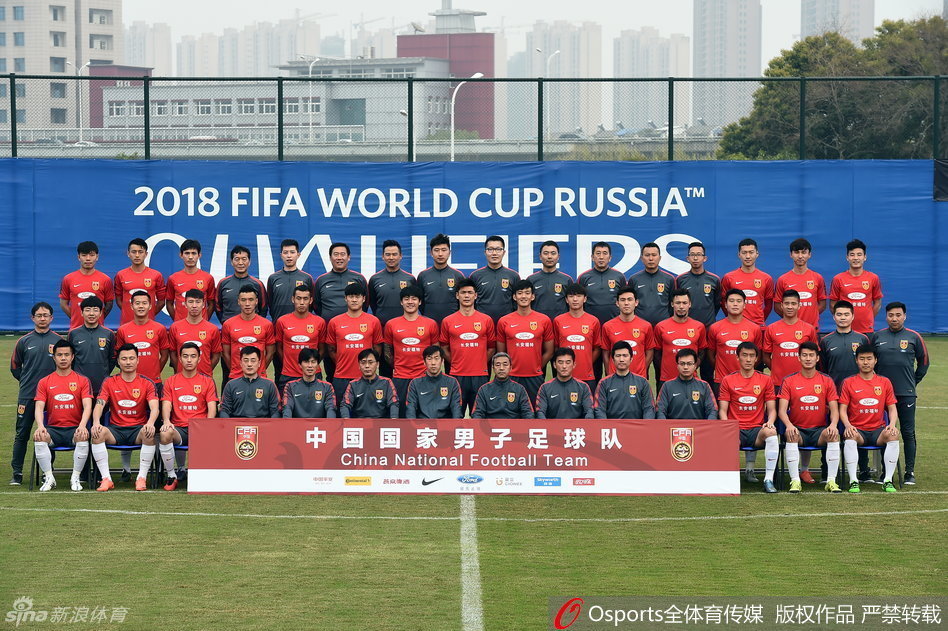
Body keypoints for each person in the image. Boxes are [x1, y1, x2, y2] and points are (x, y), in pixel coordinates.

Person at [871, 302, 929, 485]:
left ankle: (909, 472)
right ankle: (885, 472)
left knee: (908, 432)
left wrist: (913, 382)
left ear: (904, 316)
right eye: (891, 315)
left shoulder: (914, 337)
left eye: (898, 315)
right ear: (886, 316)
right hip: (881, 395)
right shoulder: (877, 337)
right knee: (884, 432)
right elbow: (870, 363)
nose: (894, 319)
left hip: (906, 394)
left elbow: (924, 362)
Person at [89, 344, 160, 492]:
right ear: (118, 361)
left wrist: (150, 423)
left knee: (149, 433)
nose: (128, 362)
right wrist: (96, 422)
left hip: (137, 430)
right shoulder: (109, 382)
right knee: (97, 434)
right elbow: (99, 404)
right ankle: (106, 479)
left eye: (131, 358)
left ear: (138, 360)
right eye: (124, 359)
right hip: (116, 431)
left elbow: (155, 408)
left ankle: (141, 478)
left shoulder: (147, 383)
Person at [778, 341, 842, 493]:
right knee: (791, 435)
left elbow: (834, 410)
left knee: (833, 435)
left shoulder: (826, 380)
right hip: (798, 430)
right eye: (804, 355)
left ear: (817, 358)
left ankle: (831, 481)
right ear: (799, 358)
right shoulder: (789, 380)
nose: (808, 358)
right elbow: (781, 411)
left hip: (819, 431)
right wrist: (789, 425)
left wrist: (833, 425)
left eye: (811, 355)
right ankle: (795, 481)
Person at [10, 302, 61, 485]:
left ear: (51, 318)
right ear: (33, 318)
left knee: (49, 433)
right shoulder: (24, 341)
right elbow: (15, 367)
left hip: (52, 397)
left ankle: (48, 472)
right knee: (22, 434)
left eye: (45, 315)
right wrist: (27, 381)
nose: (42, 318)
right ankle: (17, 472)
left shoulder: (58, 340)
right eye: (39, 315)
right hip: (28, 395)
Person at [717, 342, 779, 493]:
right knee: (728, 440)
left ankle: (768, 479)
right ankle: (730, 480)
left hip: (756, 431)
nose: (748, 359)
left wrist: (770, 422)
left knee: (771, 433)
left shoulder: (765, 380)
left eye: (752, 356)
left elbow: (772, 410)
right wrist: (727, 428)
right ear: (737, 357)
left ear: (757, 359)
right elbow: (722, 411)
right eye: (744, 355)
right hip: (736, 429)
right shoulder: (728, 380)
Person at [838, 344, 900, 493]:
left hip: (878, 431)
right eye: (862, 359)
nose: (865, 362)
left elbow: (892, 408)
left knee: (893, 434)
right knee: (850, 436)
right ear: (856, 361)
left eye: (869, 359)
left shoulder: (884, 382)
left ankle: (887, 480)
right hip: (858, 431)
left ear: (875, 360)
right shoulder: (848, 382)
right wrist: (848, 425)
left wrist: (892, 424)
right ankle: (853, 481)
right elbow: (842, 410)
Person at [32, 340, 93, 491]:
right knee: (39, 436)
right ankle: (49, 477)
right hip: (53, 430)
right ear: (54, 357)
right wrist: (40, 426)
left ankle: (75, 477)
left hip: (74, 429)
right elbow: (39, 407)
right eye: (59, 355)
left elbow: (87, 406)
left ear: (73, 357)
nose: (63, 358)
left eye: (67, 354)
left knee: (83, 435)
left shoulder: (82, 380)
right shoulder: (44, 381)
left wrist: (82, 426)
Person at [159, 342, 219, 490]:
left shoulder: (207, 381)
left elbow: (212, 407)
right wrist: (166, 420)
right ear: (180, 359)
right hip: (179, 429)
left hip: (200, 428)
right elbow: (166, 404)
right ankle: (172, 476)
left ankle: (200, 473)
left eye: (193, 356)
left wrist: (208, 425)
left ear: (199, 358)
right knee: (165, 433)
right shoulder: (171, 381)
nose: (189, 360)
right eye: (185, 356)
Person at [440, 278, 495, 416]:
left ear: (475, 296)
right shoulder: (448, 321)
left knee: (479, 415)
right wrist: (455, 362)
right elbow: (444, 347)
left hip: (480, 375)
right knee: (455, 415)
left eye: (470, 293)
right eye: (463, 292)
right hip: (457, 375)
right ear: (457, 295)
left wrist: (481, 362)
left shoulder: (486, 320)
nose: (466, 296)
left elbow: (492, 348)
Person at [314, 242, 368, 381]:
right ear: (330, 257)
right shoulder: (321, 280)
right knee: (332, 375)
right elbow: (317, 306)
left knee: (360, 374)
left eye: (342, 254)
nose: (339, 257)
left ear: (349, 257)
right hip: (331, 336)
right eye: (336, 254)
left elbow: (365, 304)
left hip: (355, 335)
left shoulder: (358, 278)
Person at [495, 280, 554, 406]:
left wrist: (537, 366)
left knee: (534, 410)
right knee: (510, 410)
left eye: (527, 293)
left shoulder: (544, 320)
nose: (523, 296)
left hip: (535, 376)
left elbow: (549, 351)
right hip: (511, 376)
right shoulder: (504, 321)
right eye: (520, 293)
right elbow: (501, 353)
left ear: (532, 296)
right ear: (514, 297)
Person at [383, 285, 439, 416]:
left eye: (414, 299)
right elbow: (387, 351)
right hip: (400, 378)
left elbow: (436, 351)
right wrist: (398, 366)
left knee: (425, 415)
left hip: (424, 377)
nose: (410, 302)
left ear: (420, 302)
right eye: (406, 299)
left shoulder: (430, 324)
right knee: (402, 415)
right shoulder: (391, 324)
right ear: (401, 302)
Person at [324, 282, 383, 400]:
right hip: (342, 377)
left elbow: (377, 347)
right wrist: (341, 363)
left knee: (366, 410)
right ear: (345, 298)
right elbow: (331, 349)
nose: (354, 300)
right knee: (341, 410)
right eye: (351, 296)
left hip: (366, 377)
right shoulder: (335, 322)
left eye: (357, 296)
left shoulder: (373, 321)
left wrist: (369, 366)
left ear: (364, 299)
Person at [675, 241, 720, 382]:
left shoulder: (714, 280)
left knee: (707, 373)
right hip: (687, 332)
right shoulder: (680, 279)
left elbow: (717, 304)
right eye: (692, 255)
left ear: (704, 258)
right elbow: (677, 303)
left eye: (699, 255)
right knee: (686, 370)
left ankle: (708, 397)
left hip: (707, 331)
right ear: (687, 258)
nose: (695, 258)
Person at [706, 289, 764, 394]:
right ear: (725, 305)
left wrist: (746, 371)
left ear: (744, 305)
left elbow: (758, 356)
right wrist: (720, 369)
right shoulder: (715, 328)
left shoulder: (754, 328)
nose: (735, 304)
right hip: (722, 381)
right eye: (731, 301)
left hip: (747, 381)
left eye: (739, 301)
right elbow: (710, 354)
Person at [274, 285, 325, 394]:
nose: (302, 302)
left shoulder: (319, 322)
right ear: (293, 299)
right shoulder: (282, 321)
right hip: (288, 374)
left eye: (305, 299)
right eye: (298, 298)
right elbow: (278, 347)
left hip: (313, 374)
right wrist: (288, 364)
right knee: (287, 404)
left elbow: (322, 348)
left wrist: (312, 365)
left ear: (311, 300)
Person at [762, 290, 819, 390]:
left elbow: (814, 356)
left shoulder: (809, 329)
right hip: (779, 383)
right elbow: (766, 356)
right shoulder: (771, 328)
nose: (790, 307)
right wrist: (776, 371)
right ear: (781, 305)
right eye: (787, 303)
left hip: (803, 382)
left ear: (799, 306)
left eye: (793, 304)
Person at [115, 290, 170, 392]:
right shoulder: (123, 330)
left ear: (150, 306)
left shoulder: (159, 328)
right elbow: (119, 356)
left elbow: (164, 355)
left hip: (154, 381)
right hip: (130, 382)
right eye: (137, 303)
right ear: (132, 306)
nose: (141, 306)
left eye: (144, 303)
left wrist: (155, 372)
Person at [653, 289, 707, 391]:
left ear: (689, 304)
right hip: (667, 380)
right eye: (678, 303)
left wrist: (693, 366)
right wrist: (666, 369)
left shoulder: (699, 327)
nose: (681, 306)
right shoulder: (661, 326)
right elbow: (656, 353)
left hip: (691, 380)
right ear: (672, 304)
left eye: (684, 303)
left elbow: (702, 351)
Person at [221, 285, 275, 382]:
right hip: (236, 377)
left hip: (259, 377)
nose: (247, 304)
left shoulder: (266, 324)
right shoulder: (228, 324)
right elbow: (225, 353)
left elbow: (270, 352)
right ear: (238, 301)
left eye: (251, 300)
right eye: (243, 300)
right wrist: (234, 370)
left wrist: (260, 368)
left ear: (256, 301)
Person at [552, 284, 601, 392]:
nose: (575, 299)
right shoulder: (558, 321)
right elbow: (556, 347)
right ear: (566, 300)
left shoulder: (593, 321)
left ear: (585, 299)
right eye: (571, 296)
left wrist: (587, 362)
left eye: (578, 296)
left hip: (586, 376)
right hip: (564, 377)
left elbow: (597, 348)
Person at [829, 239, 882, 335]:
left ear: (865, 257)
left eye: (859, 254)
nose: (856, 258)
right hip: (845, 330)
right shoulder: (838, 279)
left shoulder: (873, 278)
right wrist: (843, 321)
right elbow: (833, 305)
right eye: (852, 255)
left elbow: (877, 303)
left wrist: (868, 318)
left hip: (866, 329)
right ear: (847, 257)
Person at [600, 286, 655, 379]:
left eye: (629, 299)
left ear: (636, 302)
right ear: (617, 303)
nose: (626, 303)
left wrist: (642, 370)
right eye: (622, 300)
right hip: (615, 377)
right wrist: (609, 372)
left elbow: (650, 352)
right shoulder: (607, 326)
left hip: (639, 377)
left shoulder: (646, 326)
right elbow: (606, 353)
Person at [66, 296, 116, 396]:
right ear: (81, 312)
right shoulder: (73, 334)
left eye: (95, 310)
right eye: (87, 310)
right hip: (79, 386)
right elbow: (70, 359)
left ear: (101, 313)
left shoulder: (109, 334)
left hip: (102, 385)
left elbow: (112, 359)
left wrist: (104, 373)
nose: (91, 313)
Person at [773, 238, 826, 331]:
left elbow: (822, 304)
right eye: (796, 252)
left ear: (809, 254)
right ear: (791, 254)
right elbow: (777, 306)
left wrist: (811, 317)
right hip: (790, 329)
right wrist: (791, 319)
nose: (800, 256)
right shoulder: (783, 279)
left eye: (804, 252)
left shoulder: (818, 278)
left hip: (812, 329)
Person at [59, 241, 114, 330]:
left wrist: (98, 317)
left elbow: (109, 303)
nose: (88, 258)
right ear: (79, 257)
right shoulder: (68, 279)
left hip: (98, 330)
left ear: (97, 257)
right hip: (75, 329)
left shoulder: (105, 279)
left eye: (92, 255)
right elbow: (63, 304)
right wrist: (75, 317)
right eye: (84, 255)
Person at [719, 238, 774, 327]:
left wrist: (759, 321)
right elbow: (723, 302)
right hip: (735, 326)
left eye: (751, 252)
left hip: (758, 326)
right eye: (744, 253)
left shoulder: (766, 278)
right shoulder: (729, 278)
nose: (748, 256)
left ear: (757, 254)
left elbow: (769, 305)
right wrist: (733, 319)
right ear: (739, 255)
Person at [168, 289, 222, 377]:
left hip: (205, 378)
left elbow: (216, 355)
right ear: (185, 304)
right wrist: (179, 371)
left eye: (198, 302)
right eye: (190, 302)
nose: (194, 306)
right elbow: (173, 353)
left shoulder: (212, 329)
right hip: (182, 378)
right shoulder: (175, 327)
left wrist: (206, 371)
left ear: (203, 304)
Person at [594, 341, 655, 419]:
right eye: (618, 356)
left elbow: (649, 409)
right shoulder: (604, 383)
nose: (621, 359)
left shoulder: (643, 382)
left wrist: (645, 425)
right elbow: (599, 410)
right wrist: (606, 425)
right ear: (613, 359)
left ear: (631, 359)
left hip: (636, 425)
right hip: (612, 426)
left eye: (625, 356)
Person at [114, 237, 166, 325]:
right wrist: (128, 311)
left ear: (146, 254)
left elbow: (161, 302)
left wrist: (149, 313)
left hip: (149, 325)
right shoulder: (120, 275)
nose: (137, 255)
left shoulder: (156, 275)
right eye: (134, 252)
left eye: (140, 252)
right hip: (126, 324)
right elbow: (119, 300)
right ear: (128, 253)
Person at [819, 300, 871, 389]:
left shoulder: (863, 339)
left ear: (853, 316)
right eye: (839, 315)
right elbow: (823, 368)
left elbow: (869, 365)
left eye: (846, 314)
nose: (843, 318)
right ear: (834, 317)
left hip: (859, 388)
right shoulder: (825, 341)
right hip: (834, 388)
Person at [417, 234, 466, 325]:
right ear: (431, 253)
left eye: (444, 250)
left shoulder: (458, 275)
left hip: (453, 324)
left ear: (449, 252)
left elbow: (463, 301)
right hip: (429, 324)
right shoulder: (423, 276)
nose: (440, 254)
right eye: (436, 250)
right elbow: (419, 303)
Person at [470, 235, 520, 324]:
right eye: (490, 249)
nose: (494, 253)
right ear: (485, 252)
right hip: (481, 324)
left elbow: (517, 303)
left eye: (498, 249)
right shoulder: (475, 276)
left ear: (504, 252)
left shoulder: (513, 276)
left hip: (507, 324)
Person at [219, 345, 280, 418]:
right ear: (241, 363)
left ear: (259, 363)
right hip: (237, 424)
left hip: (262, 423)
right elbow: (224, 410)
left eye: (253, 360)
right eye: (246, 360)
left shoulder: (269, 385)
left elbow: (275, 411)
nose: (249, 364)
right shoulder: (231, 385)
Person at [655, 349, 716, 420]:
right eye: (682, 364)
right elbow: (660, 411)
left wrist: (708, 424)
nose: (685, 367)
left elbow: (712, 410)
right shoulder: (667, 386)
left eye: (689, 364)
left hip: (698, 426)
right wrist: (665, 424)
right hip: (673, 426)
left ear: (695, 365)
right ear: (677, 365)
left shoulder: (704, 386)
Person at [405, 346, 463, 419]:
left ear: (442, 361)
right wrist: (413, 425)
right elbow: (410, 409)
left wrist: (454, 425)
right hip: (422, 424)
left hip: (445, 424)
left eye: (436, 358)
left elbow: (456, 409)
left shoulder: (452, 382)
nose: (433, 363)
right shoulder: (415, 383)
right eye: (429, 359)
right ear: (424, 362)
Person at [369, 239, 417, 328]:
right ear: (383, 256)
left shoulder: (410, 279)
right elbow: (372, 303)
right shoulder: (374, 279)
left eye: (394, 254)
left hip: (405, 326)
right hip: (382, 326)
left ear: (400, 256)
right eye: (388, 254)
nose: (391, 258)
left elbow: (416, 302)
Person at [535, 348, 595, 419]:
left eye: (568, 362)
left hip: (576, 426)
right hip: (552, 426)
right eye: (560, 362)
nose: (564, 366)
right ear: (554, 365)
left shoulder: (583, 387)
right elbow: (540, 412)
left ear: (574, 365)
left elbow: (589, 411)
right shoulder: (545, 388)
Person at [470, 353, 534, 419]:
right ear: (493, 368)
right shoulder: (484, 389)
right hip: (491, 425)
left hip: (513, 425)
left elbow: (528, 412)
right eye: (498, 365)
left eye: (505, 365)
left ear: (510, 368)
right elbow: (477, 413)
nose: (501, 368)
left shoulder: (520, 389)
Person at [266, 238, 316, 323]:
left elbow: (312, 304)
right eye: (285, 252)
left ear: (298, 255)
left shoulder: (307, 278)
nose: (289, 256)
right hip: (279, 324)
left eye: (292, 252)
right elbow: (270, 303)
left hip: (301, 324)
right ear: (281, 255)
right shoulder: (273, 278)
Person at [165, 238, 216, 321]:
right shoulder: (173, 278)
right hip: (180, 326)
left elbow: (211, 304)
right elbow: (169, 303)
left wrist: (204, 321)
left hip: (201, 326)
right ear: (181, 255)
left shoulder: (208, 278)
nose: (190, 257)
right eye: (187, 253)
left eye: (194, 253)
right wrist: (177, 321)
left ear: (199, 255)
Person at [577, 241, 627, 325]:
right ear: (592, 257)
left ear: (610, 257)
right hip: (589, 324)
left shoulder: (619, 276)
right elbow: (578, 301)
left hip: (615, 323)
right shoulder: (583, 277)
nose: (601, 257)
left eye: (605, 253)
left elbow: (625, 300)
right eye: (598, 253)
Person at [339, 349, 399, 419]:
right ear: (359, 365)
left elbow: (394, 403)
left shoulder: (386, 382)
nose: (367, 366)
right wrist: (346, 421)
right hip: (359, 422)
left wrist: (394, 420)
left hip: (381, 422)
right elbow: (345, 405)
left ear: (377, 364)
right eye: (363, 363)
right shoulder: (353, 384)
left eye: (370, 362)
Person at [216, 244, 267, 323]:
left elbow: (263, 307)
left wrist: (256, 323)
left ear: (249, 262)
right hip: (229, 327)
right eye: (237, 259)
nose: (240, 263)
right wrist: (225, 323)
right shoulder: (223, 283)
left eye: (244, 259)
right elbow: (218, 307)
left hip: (252, 327)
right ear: (231, 262)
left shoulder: (258, 284)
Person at [282, 348, 337, 418]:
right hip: (297, 424)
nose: (310, 365)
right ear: (300, 365)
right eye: (306, 362)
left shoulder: (327, 387)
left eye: (313, 362)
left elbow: (331, 410)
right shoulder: (290, 386)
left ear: (317, 365)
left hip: (319, 425)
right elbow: (287, 409)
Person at [527, 240, 572, 322]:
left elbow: (572, 305)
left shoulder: (567, 280)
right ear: (540, 256)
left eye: (553, 253)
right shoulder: (531, 279)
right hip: (537, 323)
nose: (549, 256)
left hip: (561, 323)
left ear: (558, 256)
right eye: (546, 253)